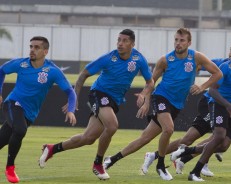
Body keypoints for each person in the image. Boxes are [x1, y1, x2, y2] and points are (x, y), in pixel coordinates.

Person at [102, 28, 222, 181]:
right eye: (176, 40)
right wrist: (145, 99)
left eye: (182, 40)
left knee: (144, 138)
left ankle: (111, 159)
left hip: (176, 104)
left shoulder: (196, 57)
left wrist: (202, 86)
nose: (178, 43)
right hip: (161, 97)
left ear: (189, 42)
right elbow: (151, 82)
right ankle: (160, 165)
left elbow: (218, 73)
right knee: (169, 128)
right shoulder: (165, 60)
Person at [38, 29, 154, 180]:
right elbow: (83, 74)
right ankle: (98, 164)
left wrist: (145, 95)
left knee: (88, 138)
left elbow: (150, 82)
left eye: (125, 41)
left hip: (114, 100)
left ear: (132, 44)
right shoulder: (108, 58)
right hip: (98, 94)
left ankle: (52, 148)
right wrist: (74, 98)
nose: (120, 43)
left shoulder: (139, 59)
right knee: (112, 126)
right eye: (119, 40)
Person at [139, 39, 231, 176]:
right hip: (210, 104)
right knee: (214, 137)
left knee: (209, 139)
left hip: (226, 108)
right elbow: (198, 65)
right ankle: (190, 160)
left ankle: (166, 156)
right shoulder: (221, 63)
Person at [170, 42, 231, 181]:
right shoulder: (226, 67)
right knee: (218, 136)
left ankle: (186, 151)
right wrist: (228, 106)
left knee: (223, 146)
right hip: (218, 104)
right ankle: (195, 172)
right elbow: (212, 91)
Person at [0, 36, 77, 183]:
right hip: (12, 103)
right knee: (20, 130)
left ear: (45, 51)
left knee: (3, 139)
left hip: (29, 113)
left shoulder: (53, 71)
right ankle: (10, 167)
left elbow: (70, 92)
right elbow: (1, 71)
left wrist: (71, 109)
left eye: (36, 47)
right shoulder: (21, 64)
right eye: (31, 47)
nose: (32, 50)